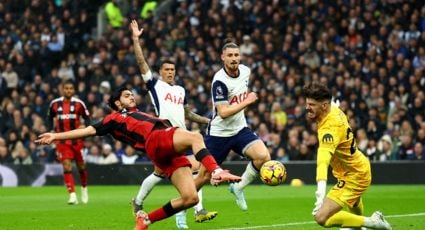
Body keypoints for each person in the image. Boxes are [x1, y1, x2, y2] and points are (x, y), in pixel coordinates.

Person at [35, 87, 241, 230]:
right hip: (155, 138)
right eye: (126, 95)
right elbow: (86, 130)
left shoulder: (136, 112)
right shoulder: (113, 118)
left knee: (191, 198)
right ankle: (216, 171)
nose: (131, 96)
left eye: (132, 94)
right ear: (117, 102)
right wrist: (55, 136)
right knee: (195, 136)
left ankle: (146, 220)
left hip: (162, 152)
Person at [130, 20, 217, 229]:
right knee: (190, 169)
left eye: (173, 69)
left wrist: (207, 120)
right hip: (165, 136)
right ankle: (195, 210)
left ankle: (144, 204)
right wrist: (135, 40)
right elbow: (142, 64)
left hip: (180, 136)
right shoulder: (155, 85)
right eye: (167, 69)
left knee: (182, 171)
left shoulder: (180, 90)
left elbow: (188, 114)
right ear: (160, 71)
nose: (170, 72)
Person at [302, 82, 392, 229]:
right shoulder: (334, 110)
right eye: (307, 103)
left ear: (324, 106)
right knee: (354, 202)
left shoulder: (329, 129)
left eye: (312, 104)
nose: (307, 108)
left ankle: (373, 222)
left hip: (354, 174)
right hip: (355, 167)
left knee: (321, 218)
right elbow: (334, 108)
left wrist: (321, 190)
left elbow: (323, 160)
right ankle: (358, 226)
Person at [196, 42, 271, 211]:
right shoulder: (219, 81)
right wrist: (247, 101)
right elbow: (223, 112)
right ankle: (182, 209)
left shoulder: (245, 71)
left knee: (263, 157)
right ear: (222, 57)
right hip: (219, 134)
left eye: (236, 55)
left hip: (239, 129)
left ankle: (238, 188)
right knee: (204, 176)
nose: (234, 59)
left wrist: (244, 102)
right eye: (229, 55)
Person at [48, 80, 90, 204]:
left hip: (77, 141)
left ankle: (84, 187)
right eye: (66, 88)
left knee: (81, 167)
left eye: (71, 88)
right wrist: (51, 132)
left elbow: (88, 119)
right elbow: (49, 117)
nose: (68, 91)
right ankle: (72, 195)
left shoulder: (79, 104)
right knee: (66, 166)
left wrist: (85, 129)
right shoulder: (55, 104)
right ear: (62, 89)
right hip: (62, 141)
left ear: (74, 90)